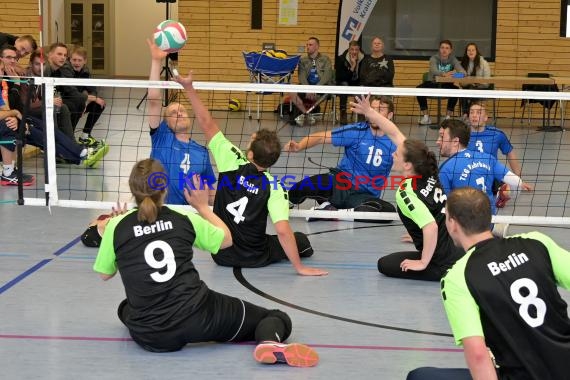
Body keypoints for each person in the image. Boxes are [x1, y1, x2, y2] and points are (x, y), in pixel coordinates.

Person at [93, 158, 320, 366]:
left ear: (132, 190)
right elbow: (227, 239)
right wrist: (202, 208)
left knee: (126, 307)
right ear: (164, 189)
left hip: (149, 334)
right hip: (199, 316)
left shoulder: (116, 227)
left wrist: (113, 229)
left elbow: (105, 274)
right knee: (276, 317)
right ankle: (269, 342)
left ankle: (152, 323)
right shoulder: (184, 219)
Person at [172, 64, 327, 276]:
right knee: (301, 240)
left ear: (250, 154)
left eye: (251, 140)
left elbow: (206, 122)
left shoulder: (231, 160)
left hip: (221, 253)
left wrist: (188, 88)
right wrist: (299, 268)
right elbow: (282, 230)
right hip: (255, 257)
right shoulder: (275, 187)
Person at [407, 187, 570, 380]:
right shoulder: (537, 242)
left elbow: (477, 355)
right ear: (489, 217)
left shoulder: (458, 277)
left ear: (452, 224)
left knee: (419, 376)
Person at [350, 95, 464, 281]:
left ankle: (434, 266)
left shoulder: (406, 192)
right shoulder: (428, 170)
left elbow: (430, 227)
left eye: (397, 154)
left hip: (441, 262)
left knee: (384, 264)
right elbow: (394, 133)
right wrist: (369, 112)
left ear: (407, 165)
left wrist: (423, 263)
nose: (393, 153)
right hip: (457, 246)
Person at [285, 95, 397, 222]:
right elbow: (321, 137)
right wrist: (299, 146)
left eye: (380, 109)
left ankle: (333, 212)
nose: (375, 113)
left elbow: (412, 167)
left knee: (388, 212)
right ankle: (330, 208)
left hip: (363, 197)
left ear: (390, 115)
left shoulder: (395, 143)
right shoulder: (357, 131)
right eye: (372, 109)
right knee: (304, 186)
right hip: (339, 183)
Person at [147, 39, 216, 205]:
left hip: (189, 217)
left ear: (189, 118)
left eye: (182, 111)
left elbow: (211, 194)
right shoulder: (161, 137)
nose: (179, 113)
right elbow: (154, 100)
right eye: (172, 112)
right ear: (165, 123)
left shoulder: (202, 152)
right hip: (160, 211)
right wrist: (156, 61)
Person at [437, 119, 532, 217]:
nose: (437, 141)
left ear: (455, 141)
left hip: (464, 226)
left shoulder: (445, 169)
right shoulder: (488, 158)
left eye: (441, 136)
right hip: (489, 222)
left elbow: (444, 207)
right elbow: (517, 183)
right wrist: (499, 198)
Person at [467, 101, 523, 208]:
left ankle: (498, 195)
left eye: (478, 113)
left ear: (485, 117)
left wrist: (519, 179)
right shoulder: (462, 134)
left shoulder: (497, 134)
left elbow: (510, 153)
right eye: (471, 112)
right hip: (468, 174)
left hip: (490, 174)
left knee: (508, 189)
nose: (474, 115)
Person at [416, 40, 465, 125]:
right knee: (419, 89)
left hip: (446, 84)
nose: (444, 50)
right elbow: (434, 71)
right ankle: (426, 117)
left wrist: (455, 74)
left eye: (447, 48)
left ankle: (447, 118)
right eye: (442, 48)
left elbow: (463, 73)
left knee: (456, 90)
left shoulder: (453, 59)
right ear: (439, 49)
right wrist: (445, 74)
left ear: (450, 50)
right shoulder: (434, 58)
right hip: (433, 83)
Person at [44, 42, 89, 130]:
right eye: (59, 54)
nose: (62, 57)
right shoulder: (45, 69)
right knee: (70, 106)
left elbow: (69, 89)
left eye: (65, 55)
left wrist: (84, 99)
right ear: (50, 55)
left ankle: (69, 135)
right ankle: (66, 136)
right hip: (46, 101)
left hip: (57, 98)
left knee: (79, 102)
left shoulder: (59, 71)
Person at [288, 37, 333, 120]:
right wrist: (308, 88)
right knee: (291, 92)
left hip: (322, 88)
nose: (307, 47)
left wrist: (315, 88)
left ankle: (304, 114)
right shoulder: (303, 60)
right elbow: (301, 76)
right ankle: (306, 114)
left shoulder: (326, 59)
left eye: (310, 45)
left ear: (317, 47)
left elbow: (327, 75)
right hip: (307, 88)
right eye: (307, 45)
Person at [70, 46, 107, 147]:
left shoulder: (85, 72)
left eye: (79, 60)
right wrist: (84, 101)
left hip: (80, 102)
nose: (76, 63)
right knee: (76, 107)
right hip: (69, 103)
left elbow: (93, 90)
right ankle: (69, 138)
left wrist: (86, 103)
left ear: (85, 61)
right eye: (74, 60)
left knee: (99, 104)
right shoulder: (67, 71)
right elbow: (72, 93)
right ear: (70, 59)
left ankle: (85, 136)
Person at [459, 43, 491, 118]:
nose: (471, 52)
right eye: (469, 50)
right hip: (468, 87)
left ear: (476, 51)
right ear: (466, 52)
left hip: (482, 88)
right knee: (464, 91)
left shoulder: (483, 63)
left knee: (470, 90)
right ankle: (466, 114)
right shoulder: (463, 63)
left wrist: (476, 83)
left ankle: (466, 114)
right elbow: (461, 82)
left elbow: (487, 82)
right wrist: (469, 83)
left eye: (473, 50)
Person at [335, 40, 364, 125]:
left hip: (357, 83)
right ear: (349, 50)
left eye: (356, 50)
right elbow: (341, 77)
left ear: (359, 50)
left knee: (362, 86)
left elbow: (363, 76)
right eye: (352, 49)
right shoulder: (341, 59)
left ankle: (361, 113)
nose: (354, 52)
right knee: (344, 84)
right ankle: (343, 112)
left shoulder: (364, 59)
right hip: (345, 82)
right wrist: (352, 67)